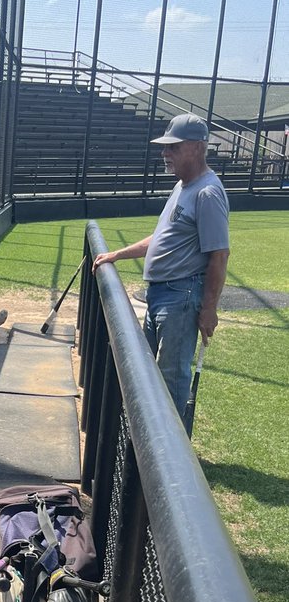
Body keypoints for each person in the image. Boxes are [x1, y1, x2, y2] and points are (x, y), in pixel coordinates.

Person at [92, 113, 230, 421]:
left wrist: (209, 309)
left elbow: (219, 256)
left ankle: (169, 464)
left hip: (180, 298)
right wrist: (117, 254)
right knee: (146, 374)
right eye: (165, 147)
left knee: (170, 381)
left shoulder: (208, 192)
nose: (165, 153)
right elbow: (161, 238)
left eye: (174, 147)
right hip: (161, 296)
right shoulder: (184, 186)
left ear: (196, 147)